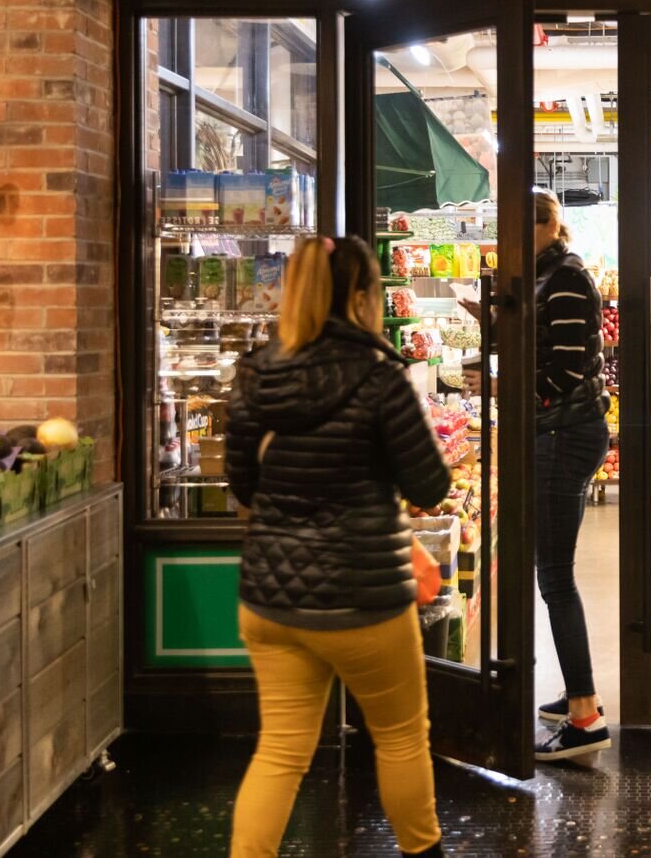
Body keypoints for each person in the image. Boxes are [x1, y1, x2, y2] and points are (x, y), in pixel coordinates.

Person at [226, 235, 452, 858]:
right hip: (364, 599)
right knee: (402, 739)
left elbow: (242, 485)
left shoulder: (253, 375)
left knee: (279, 752)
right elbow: (430, 484)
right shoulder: (380, 378)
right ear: (359, 299)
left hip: (270, 601)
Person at [528, 189, 614, 762]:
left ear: (542, 227)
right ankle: (577, 694)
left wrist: (527, 392)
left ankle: (584, 718)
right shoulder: (548, 273)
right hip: (564, 428)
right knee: (556, 572)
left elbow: (561, 367)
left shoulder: (563, 278)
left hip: (563, 431)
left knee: (555, 575)